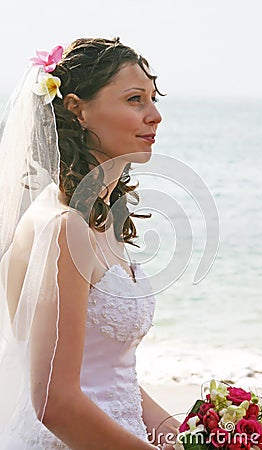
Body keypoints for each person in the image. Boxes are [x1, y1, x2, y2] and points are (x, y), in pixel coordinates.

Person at [0, 38, 180, 449]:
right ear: (78, 110)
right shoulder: (65, 228)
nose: (155, 116)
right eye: (135, 100)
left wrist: (185, 433)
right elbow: (54, 402)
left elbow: (113, 377)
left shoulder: (101, 219)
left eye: (153, 99)